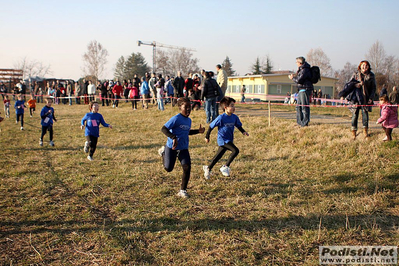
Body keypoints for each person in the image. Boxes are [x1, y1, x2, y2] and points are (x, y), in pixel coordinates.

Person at [158, 97, 205, 198]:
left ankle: (182, 191)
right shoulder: (176, 118)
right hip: (172, 147)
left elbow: (186, 131)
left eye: (190, 107)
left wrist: (198, 131)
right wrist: (173, 137)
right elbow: (164, 128)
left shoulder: (189, 120)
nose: (188, 109)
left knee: (187, 167)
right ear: (180, 107)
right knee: (168, 168)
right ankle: (163, 153)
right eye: (186, 107)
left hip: (183, 148)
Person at [202, 97, 249, 179]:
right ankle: (225, 167)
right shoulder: (221, 118)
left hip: (229, 139)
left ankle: (208, 168)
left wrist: (243, 131)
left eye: (234, 106)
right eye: (232, 106)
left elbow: (238, 125)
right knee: (235, 150)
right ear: (225, 108)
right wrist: (207, 136)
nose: (234, 108)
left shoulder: (234, 117)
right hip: (222, 139)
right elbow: (211, 126)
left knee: (218, 156)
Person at [340, 60, 376, 140]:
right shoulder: (355, 74)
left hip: (365, 98)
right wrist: (356, 85)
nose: (365, 67)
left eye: (366, 66)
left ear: (368, 67)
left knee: (365, 115)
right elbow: (349, 84)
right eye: (363, 65)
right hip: (355, 98)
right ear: (360, 66)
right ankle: (354, 132)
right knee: (355, 115)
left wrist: (371, 98)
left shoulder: (371, 75)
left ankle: (365, 131)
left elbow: (373, 88)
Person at [288, 56, 314, 127]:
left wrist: (293, 78)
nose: (296, 63)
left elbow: (299, 80)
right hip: (300, 90)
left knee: (304, 107)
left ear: (300, 62)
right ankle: (300, 122)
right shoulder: (302, 69)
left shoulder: (305, 70)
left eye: (296, 62)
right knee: (298, 106)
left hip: (304, 90)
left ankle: (304, 123)